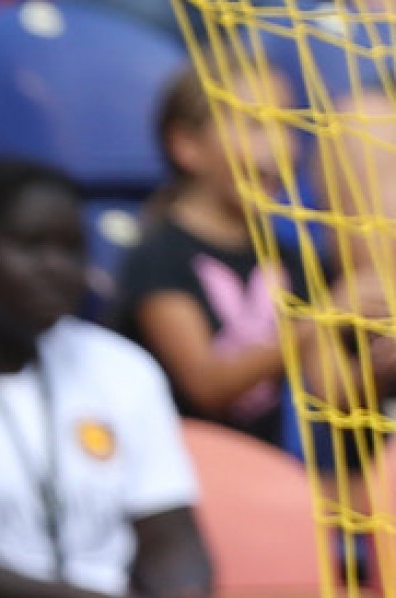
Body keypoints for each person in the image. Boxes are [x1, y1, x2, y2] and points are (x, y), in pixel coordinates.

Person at [0, 158, 210, 598]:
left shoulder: (120, 366)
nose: (57, 268)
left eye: (71, 249)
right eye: (31, 246)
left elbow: (172, 533)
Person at [118, 68, 302, 451]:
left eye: (286, 124)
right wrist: (319, 324)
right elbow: (206, 386)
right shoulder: (159, 254)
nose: (279, 146)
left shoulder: (294, 258)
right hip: (181, 472)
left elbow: (335, 395)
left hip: (263, 473)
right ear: (186, 144)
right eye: (254, 125)